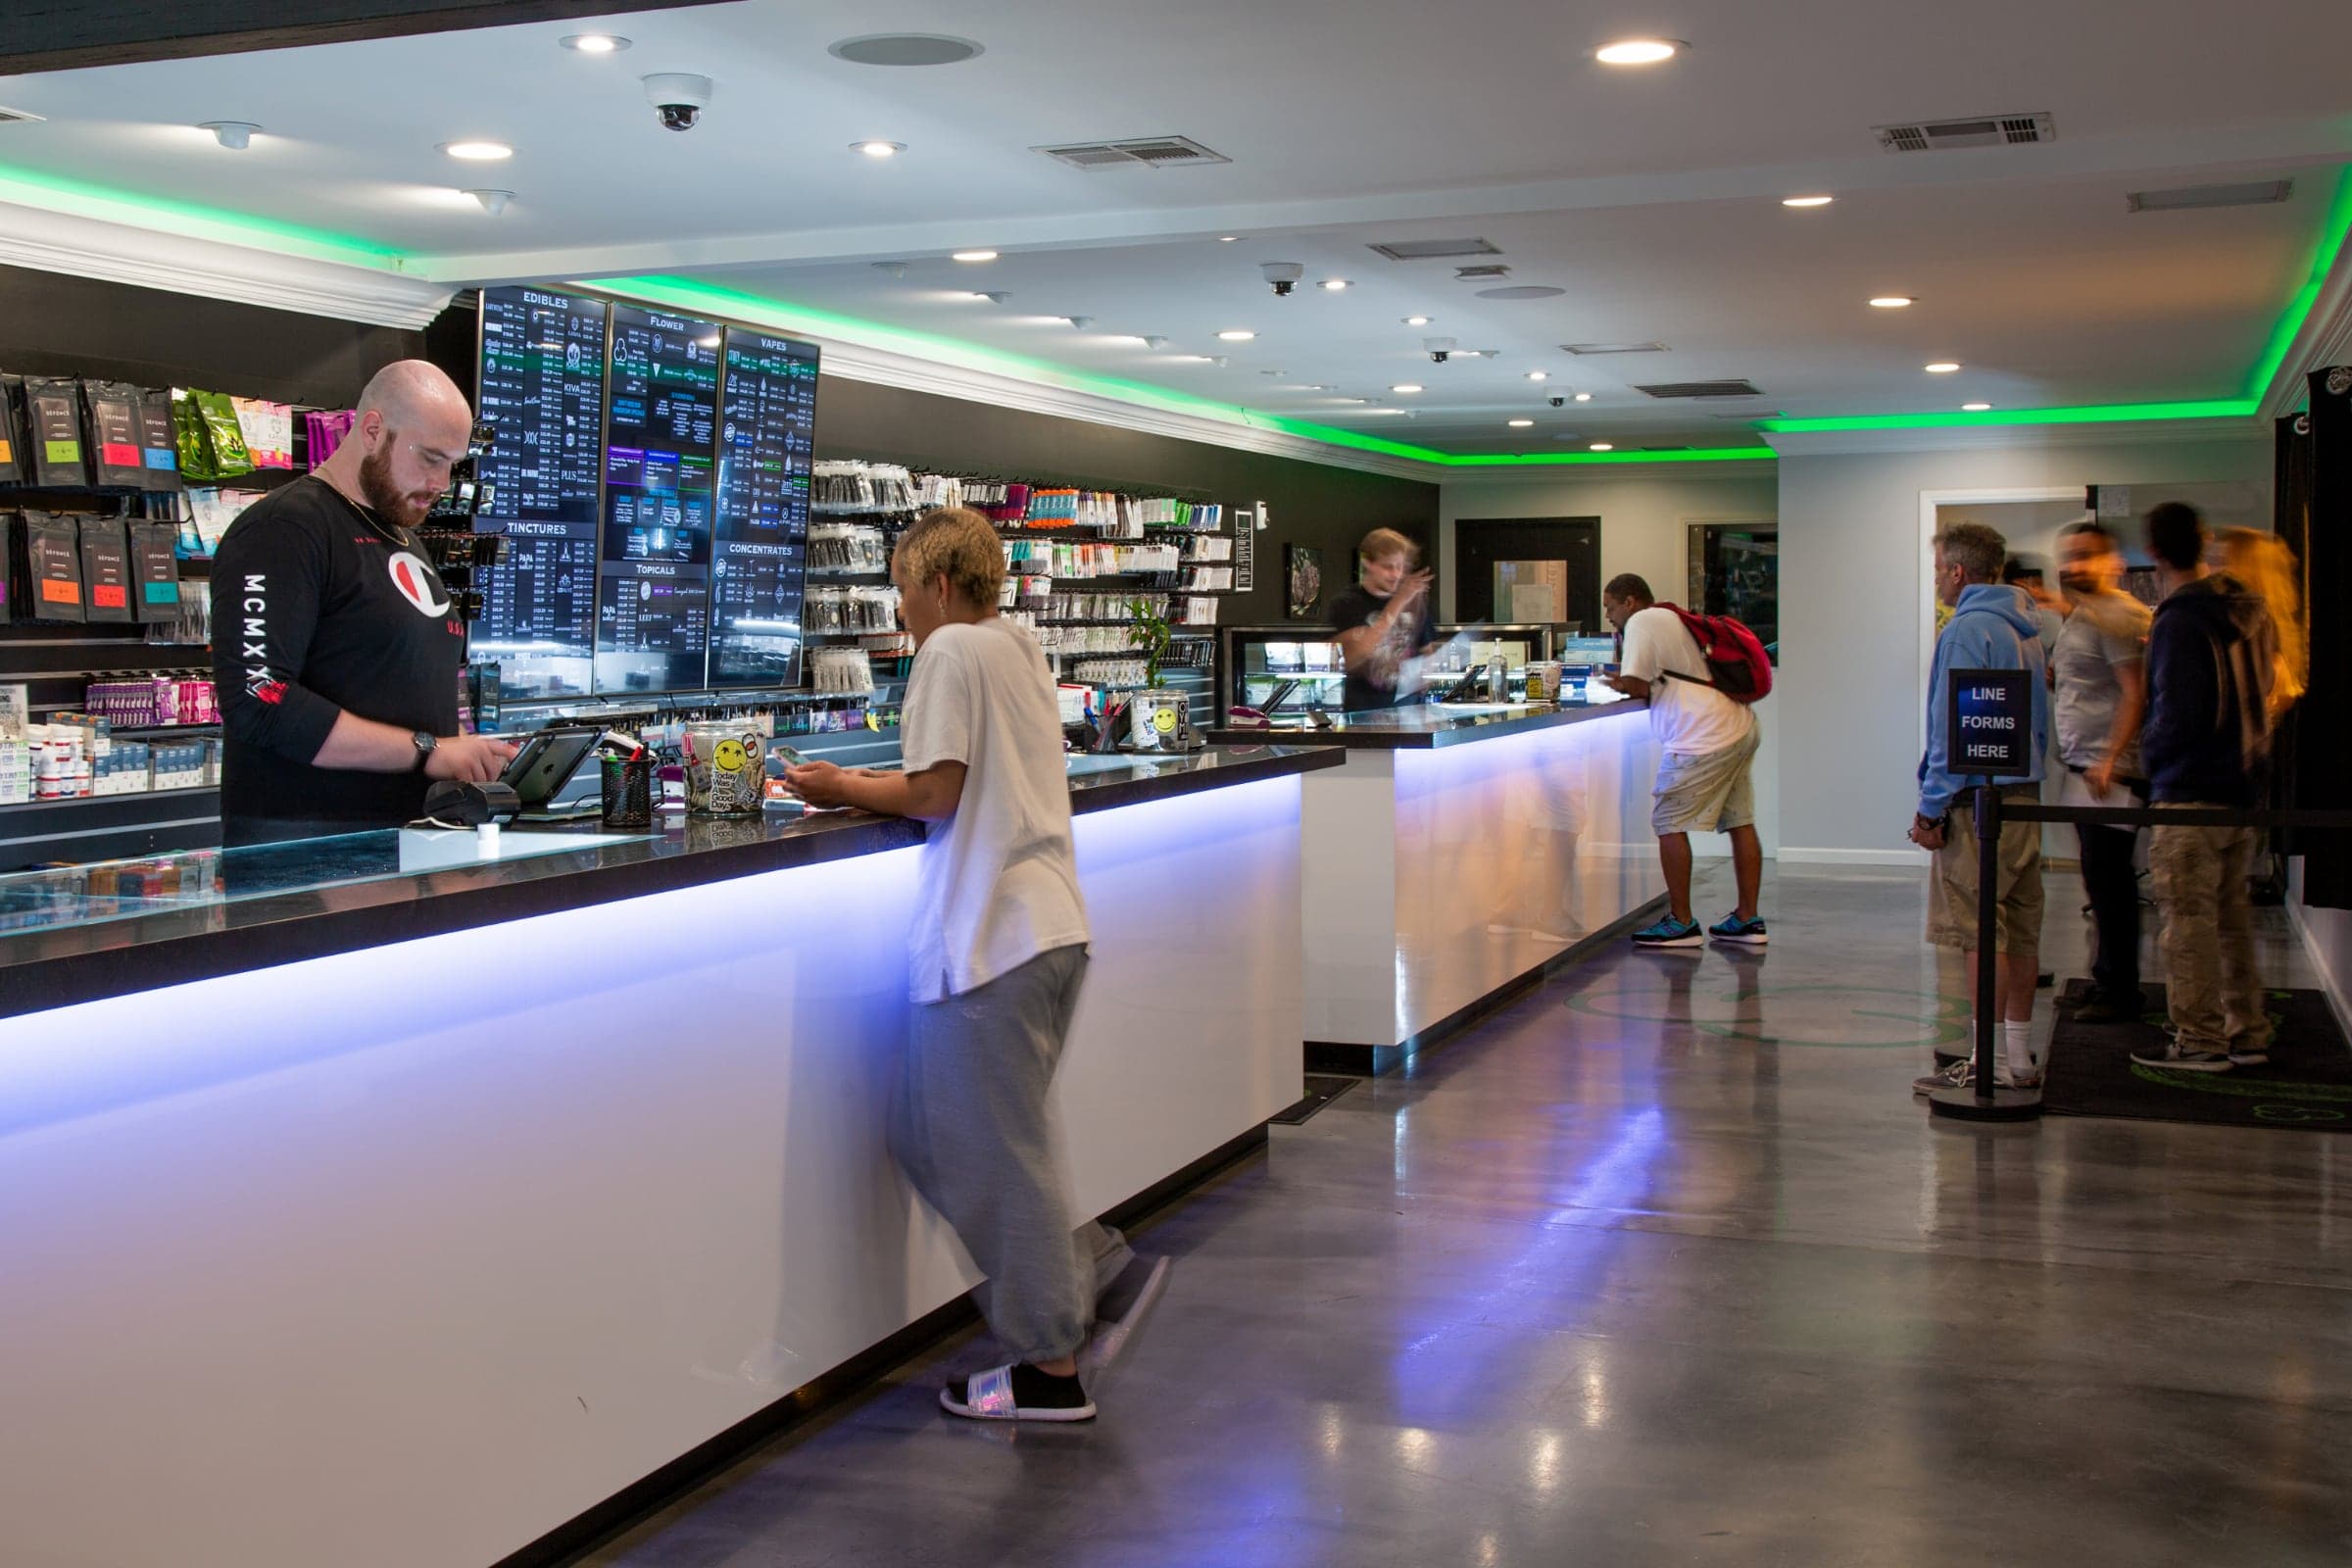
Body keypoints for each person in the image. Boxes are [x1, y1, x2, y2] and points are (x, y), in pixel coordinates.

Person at [784, 507, 1163, 1422]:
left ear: (939, 585)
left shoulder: (950, 652)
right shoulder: (1018, 646)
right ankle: (1090, 1271)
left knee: (1001, 1159)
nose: (900, 612)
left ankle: (1049, 1368)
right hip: (1048, 930)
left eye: (904, 591)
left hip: (993, 943)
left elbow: (936, 792)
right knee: (930, 1135)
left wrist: (836, 785)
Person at [210, 361, 516, 846]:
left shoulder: (399, 536)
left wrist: (465, 754)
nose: (441, 482)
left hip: (404, 841)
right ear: (373, 430)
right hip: (306, 852)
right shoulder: (284, 530)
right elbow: (260, 699)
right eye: (430, 458)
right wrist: (426, 750)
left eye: (452, 464)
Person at [2132, 504, 2279, 1073]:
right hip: (2240, 788)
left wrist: (2151, 755)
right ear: (2205, 539)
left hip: (2189, 789)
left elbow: (2179, 710)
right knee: (2231, 920)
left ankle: (2198, 1038)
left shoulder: (2178, 619)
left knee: (2188, 922)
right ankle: (2247, 1029)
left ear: (2156, 553)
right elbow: (2263, 690)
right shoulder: (2247, 609)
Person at [1908, 521, 2051, 1094]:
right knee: (2018, 926)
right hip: (2024, 796)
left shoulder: (1967, 630)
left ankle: (1985, 1061)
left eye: (1939, 567)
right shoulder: (2028, 626)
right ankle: (2016, 1055)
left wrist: (1930, 808)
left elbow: (1954, 729)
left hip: (1976, 803)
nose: (1937, 577)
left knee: (1977, 933)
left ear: (1958, 571)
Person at [1596, 573, 1765, 949]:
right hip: (1738, 724)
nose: (1608, 616)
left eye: (1610, 607)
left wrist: (1611, 682)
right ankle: (1747, 919)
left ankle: (1681, 923)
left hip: (1703, 737)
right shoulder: (1671, 617)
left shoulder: (1642, 621)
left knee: (1667, 820)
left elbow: (1637, 684)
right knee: (1740, 821)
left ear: (1630, 602)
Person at [2048, 521, 2152, 1023]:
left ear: (2114, 562)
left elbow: (2135, 691)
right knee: (2097, 875)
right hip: (2083, 766)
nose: (2074, 566)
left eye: (2087, 556)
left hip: (2109, 772)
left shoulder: (2119, 615)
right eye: (2070, 556)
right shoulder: (2083, 615)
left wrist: (2112, 757)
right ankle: (2108, 976)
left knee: (2110, 880)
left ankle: (2121, 991)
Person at [1327, 527, 1437, 712]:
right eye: (1387, 567)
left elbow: (1426, 650)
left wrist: (1426, 674)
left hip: (1408, 710)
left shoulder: (1414, 602)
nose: (1395, 574)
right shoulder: (1346, 603)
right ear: (1367, 563)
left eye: (1400, 567)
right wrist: (1399, 601)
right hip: (1362, 713)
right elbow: (1351, 657)